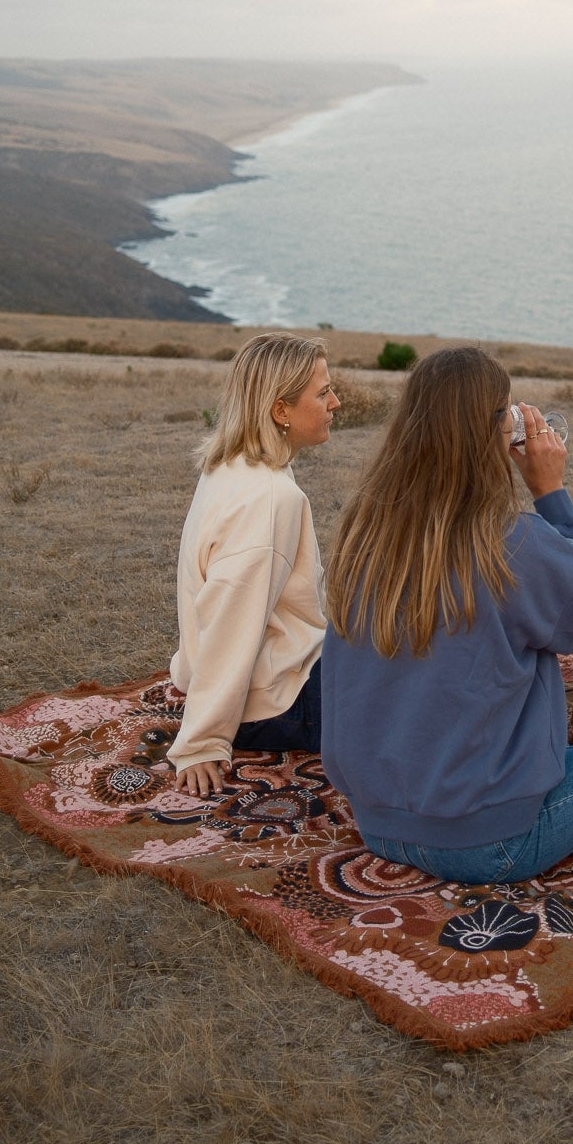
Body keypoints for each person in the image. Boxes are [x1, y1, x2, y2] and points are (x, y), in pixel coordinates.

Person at [320, 347, 573, 882]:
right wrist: (551, 493)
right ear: (494, 433)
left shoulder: (363, 534)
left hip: (377, 824)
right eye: (507, 412)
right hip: (491, 842)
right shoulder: (510, 543)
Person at [168, 332, 339, 797]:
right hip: (275, 703)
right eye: (323, 393)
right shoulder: (270, 498)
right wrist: (202, 742)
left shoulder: (231, 465)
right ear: (281, 410)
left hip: (263, 681)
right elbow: (231, 618)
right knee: (420, 674)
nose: (336, 403)